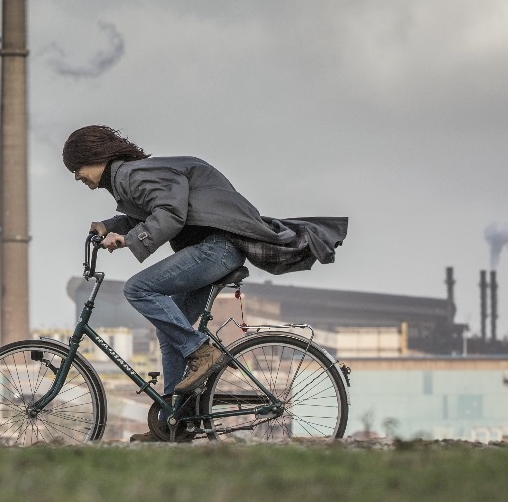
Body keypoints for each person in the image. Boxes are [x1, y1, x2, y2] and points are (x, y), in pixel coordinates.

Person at [62, 124, 347, 442]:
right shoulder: (131, 178)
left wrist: (128, 239)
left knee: (138, 288)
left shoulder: (132, 174)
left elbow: (170, 212)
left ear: (94, 157)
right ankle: (173, 423)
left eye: (77, 169)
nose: (77, 177)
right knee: (171, 328)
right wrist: (108, 225)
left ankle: (201, 351)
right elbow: (151, 211)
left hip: (216, 248)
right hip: (213, 249)